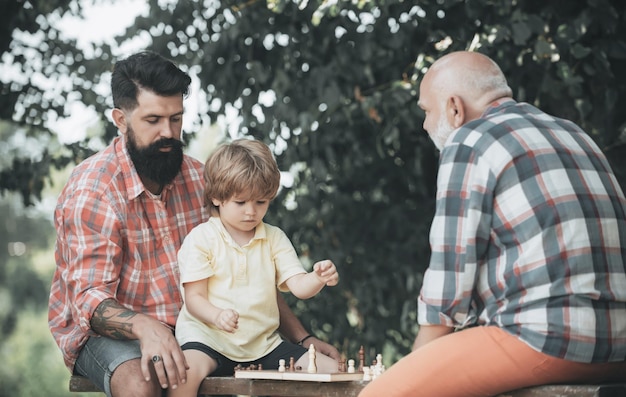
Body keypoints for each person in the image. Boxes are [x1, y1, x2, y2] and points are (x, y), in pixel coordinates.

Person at [48, 51, 340, 397]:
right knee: (144, 382)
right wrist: (147, 328)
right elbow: (87, 301)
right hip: (107, 335)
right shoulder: (93, 191)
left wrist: (301, 338)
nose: (168, 132)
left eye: (176, 118)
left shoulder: (201, 179)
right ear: (121, 119)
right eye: (153, 120)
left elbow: (248, 271)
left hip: (200, 330)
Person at [359, 51, 626, 397]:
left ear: (455, 108)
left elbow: (448, 285)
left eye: (426, 111)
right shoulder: (574, 134)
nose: (425, 125)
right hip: (619, 342)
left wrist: (413, 375)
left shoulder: (469, 140)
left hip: (549, 337)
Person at [169, 139, 340, 397]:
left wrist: (317, 277)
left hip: (264, 346)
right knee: (183, 376)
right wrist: (216, 315)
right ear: (216, 197)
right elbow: (194, 299)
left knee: (334, 371)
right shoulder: (201, 239)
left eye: (261, 202)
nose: (251, 212)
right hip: (208, 340)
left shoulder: (274, 238)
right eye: (241, 202)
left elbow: (299, 287)